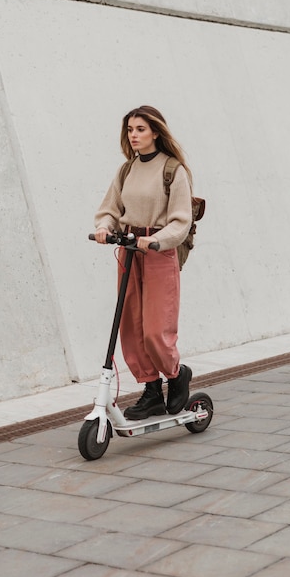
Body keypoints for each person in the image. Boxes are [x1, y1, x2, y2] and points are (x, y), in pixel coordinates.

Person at [94, 105, 193, 420]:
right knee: (131, 327)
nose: (133, 135)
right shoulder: (127, 170)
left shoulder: (172, 170)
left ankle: (176, 375)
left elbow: (180, 221)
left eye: (139, 129)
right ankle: (151, 391)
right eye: (129, 130)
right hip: (128, 249)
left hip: (157, 252)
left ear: (155, 132)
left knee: (154, 329)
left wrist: (156, 240)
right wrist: (104, 227)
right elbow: (111, 207)